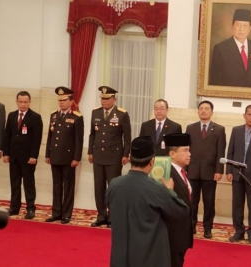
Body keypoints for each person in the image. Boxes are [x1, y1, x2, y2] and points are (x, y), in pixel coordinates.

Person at [106, 136, 188, 267]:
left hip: (120, 255)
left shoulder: (114, 184)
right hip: (149, 256)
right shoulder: (156, 189)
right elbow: (180, 211)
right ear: (152, 162)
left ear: (131, 159)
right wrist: (170, 190)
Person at [88, 86, 131, 228]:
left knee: (113, 187)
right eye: (102, 98)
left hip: (114, 156)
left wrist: (125, 154)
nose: (104, 101)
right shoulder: (96, 113)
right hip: (98, 155)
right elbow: (92, 134)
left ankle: (113, 216)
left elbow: (127, 136)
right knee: (98, 187)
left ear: (114, 99)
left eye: (107, 99)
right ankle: (101, 215)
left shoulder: (122, 114)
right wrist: (90, 152)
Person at [226, 104, 251, 244]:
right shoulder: (236, 130)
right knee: (237, 204)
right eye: (249, 114)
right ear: (244, 115)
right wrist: (229, 170)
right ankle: (239, 230)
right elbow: (230, 151)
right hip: (237, 174)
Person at [185, 100, 226, 238]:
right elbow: (186, 149)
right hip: (193, 170)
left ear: (211, 112)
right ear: (198, 111)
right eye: (201, 108)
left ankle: (207, 228)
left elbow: (221, 151)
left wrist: (219, 170)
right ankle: (191, 226)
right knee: (192, 201)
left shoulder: (219, 129)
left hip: (210, 171)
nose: (203, 111)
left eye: (206, 108)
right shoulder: (190, 128)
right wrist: (185, 168)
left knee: (209, 202)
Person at [44, 87, 84, 224]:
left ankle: (66, 213)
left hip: (68, 158)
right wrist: (47, 153)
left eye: (64, 100)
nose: (61, 103)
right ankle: (56, 212)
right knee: (56, 185)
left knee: (68, 186)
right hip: (55, 156)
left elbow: (79, 140)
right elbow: (50, 136)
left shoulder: (77, 117)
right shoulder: (54, 115)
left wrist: (76, 158)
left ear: (71, 101)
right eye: (59, 100)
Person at [2, 91, 43, 219]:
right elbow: (7, 135)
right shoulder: (12, 115)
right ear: (16, 101)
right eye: (20, 102)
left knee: (28, 183)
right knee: (15, 182)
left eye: (25, 102)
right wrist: (6, 153)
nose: (23, 104)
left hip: (27, 158)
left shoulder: (35, 117)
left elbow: (37, 139)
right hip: (14, 156)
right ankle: (14, 207)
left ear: (30, 102)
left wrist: (33, 156)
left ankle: (30, 208)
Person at [209, 9, 251, 88]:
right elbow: (215, 80)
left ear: (250, 28)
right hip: (227, 95)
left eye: (245, 25)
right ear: (232, 26)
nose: (241, 29)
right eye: (238, 25)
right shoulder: (221, 49)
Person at [163, 133, 194, 267]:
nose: (189, 154)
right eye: (185, 150)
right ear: (172, 154)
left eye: (189, 150)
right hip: (170, 235)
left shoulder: (182, 172)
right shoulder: (165, 172)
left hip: (181, 233)